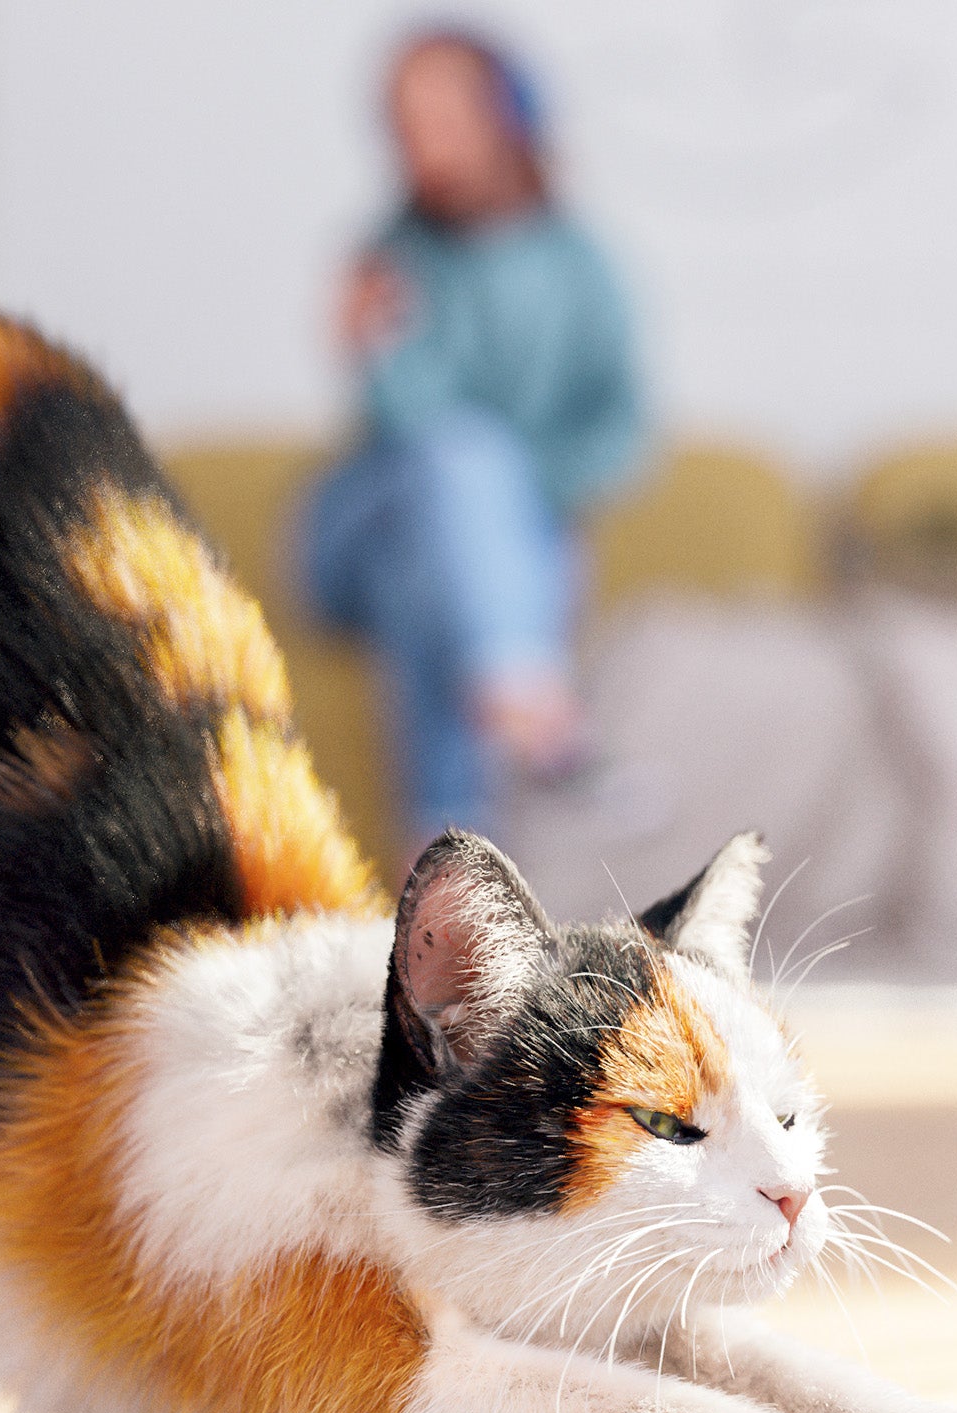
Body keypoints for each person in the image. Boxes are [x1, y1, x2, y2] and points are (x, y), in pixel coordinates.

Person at [299, 26, 645, 846]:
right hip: (352, 525)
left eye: (443, 115)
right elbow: (408, 421)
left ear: (509, 119)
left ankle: (444, 858)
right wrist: (368, 348)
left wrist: (511, 504)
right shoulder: (388, 258)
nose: (421, 140)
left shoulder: (583, 265)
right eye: (404, 120)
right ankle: (538, 707)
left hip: (447, 555)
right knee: (459, 462)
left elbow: (621, 429)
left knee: (431, 574)